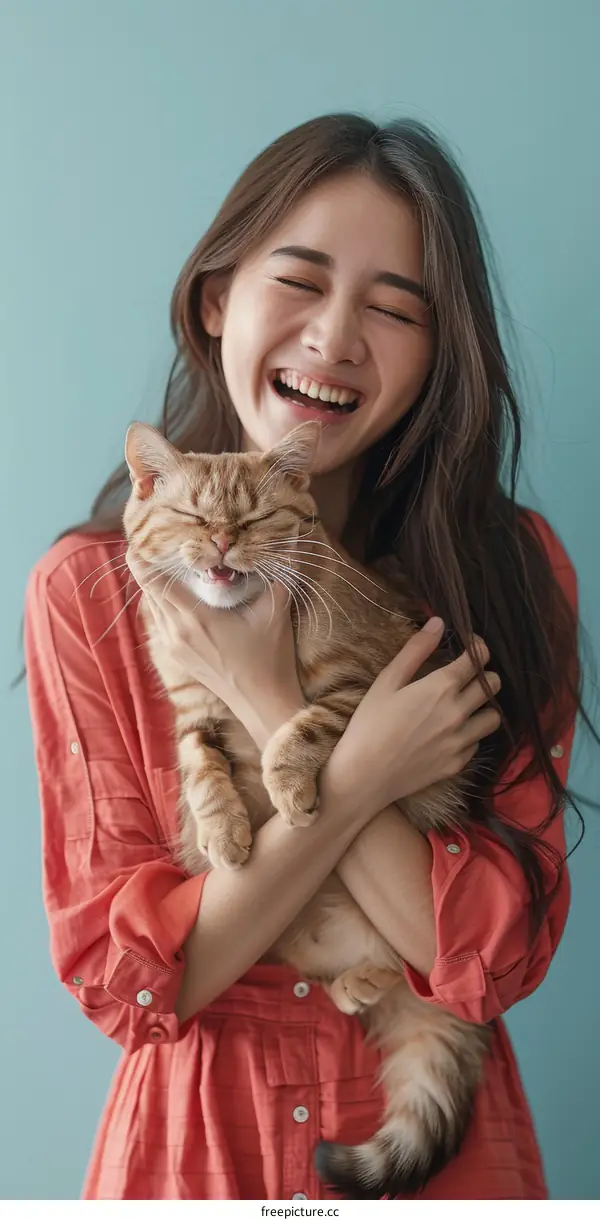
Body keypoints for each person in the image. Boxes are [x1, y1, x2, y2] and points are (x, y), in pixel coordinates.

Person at [24, 114, 583, 1201]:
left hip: (439, 1138)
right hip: (200, 1151)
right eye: (301, 281)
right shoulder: (88, 593)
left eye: (393, 308)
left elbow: (477, 962)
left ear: (437, 352)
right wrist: (363, 769)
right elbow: (143, 982)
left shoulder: (511, 570)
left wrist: (268, 697)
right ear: (217, 298)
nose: (334, 338)